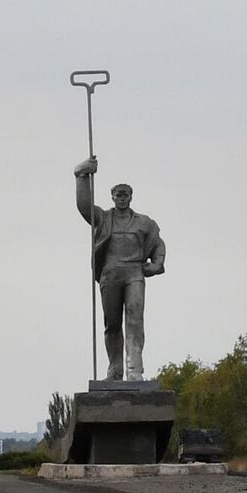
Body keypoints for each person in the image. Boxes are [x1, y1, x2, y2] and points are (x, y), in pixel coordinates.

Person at [73, 156, 165, 381]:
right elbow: (84, 207)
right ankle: (115, 371)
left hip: (134, 273)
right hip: (110, 274)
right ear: (112, 197)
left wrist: (157, 263)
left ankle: (135, 371)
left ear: (131, 197)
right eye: (118, 195)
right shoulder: (104, 219)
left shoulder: (144, 222)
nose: (122, 198)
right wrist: (82, 176)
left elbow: (158, 244)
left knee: (135, 320)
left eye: (126, 195)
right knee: (112, 324)